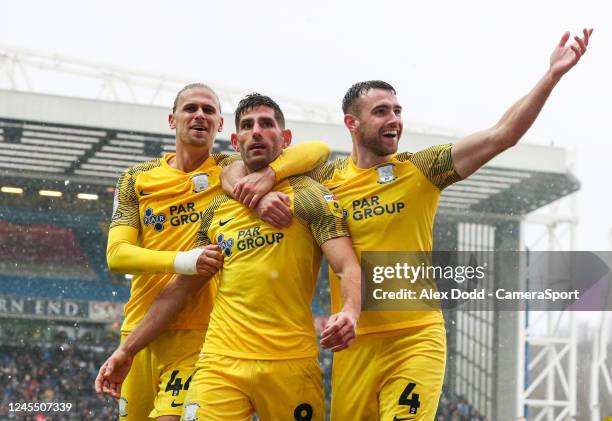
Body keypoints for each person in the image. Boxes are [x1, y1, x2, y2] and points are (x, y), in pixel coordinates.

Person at [228, 29, 593, 420]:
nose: (395, 120)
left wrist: (551, 76)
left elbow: (502, 135)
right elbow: (232, 169)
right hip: (353, 345)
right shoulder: (323, 179)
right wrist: (267, 181)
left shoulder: (422, 168)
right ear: (352, 123)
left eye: (398, 111)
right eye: (382, 111)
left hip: (415, 336)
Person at [96, 93, 362, 421]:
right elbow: (158, 275)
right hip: (199, 350)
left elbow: (345, 261)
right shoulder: (191, 198)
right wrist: (127, 348)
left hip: (270, 355)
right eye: (248, 126)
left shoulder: (304, 195)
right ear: (235, 140)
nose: (257, 132)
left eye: (267, 125)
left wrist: (350, 312)